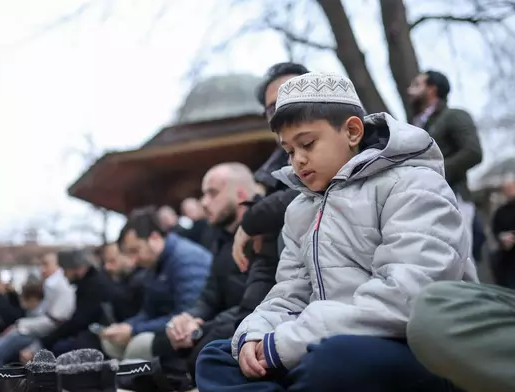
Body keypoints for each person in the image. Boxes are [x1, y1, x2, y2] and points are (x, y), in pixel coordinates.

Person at [195, 72, 478, 392]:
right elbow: (288, 295)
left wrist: (288, 344)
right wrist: (257, 335)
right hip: (315, 343)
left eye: (307, 144)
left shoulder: (413, 184)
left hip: (415, 350)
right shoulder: (300, 210)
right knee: (217, 356)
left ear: (352, 131)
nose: (298, 160)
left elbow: (408, 298)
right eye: (288, 150)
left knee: (333, 361)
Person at [153, 163, 278, 383]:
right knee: (165, 342)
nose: (204, 202)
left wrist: (202, 328)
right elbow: (209, 296)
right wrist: (188, 318)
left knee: (204, 351)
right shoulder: (218, 238)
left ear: (240, 194)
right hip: (223, 327)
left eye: (212, 193)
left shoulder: (269, 231)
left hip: (258, 330)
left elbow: (261, 301)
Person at [101, 207, 212, 361]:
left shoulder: (188, 259)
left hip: (192, 332)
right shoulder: (154, 264)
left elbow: (189, 313)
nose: (133, 261)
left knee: (138, 346)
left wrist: (134, 330)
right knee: (111, 341)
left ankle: (134, 381)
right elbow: (148, 311)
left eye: (135, 250)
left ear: (154, 238)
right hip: (168, 327)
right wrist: (126, 326)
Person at [232, 62, 310, 268]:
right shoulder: (266, 181)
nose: (281, 114)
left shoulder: (362, 148)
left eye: (289, 100)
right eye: (272, 109)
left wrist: (256, 216)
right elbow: (264, 265)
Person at [408, 70, 482, 249]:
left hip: (454, 198)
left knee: (460, 262)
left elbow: (473, 152)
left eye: (417, 85)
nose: (409, 90)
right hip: (422, 202)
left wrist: (434, 174)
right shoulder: (415, 124)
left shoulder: (454, 116)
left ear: (432, 89)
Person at [30, 248, 111, 359]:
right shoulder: (90, 283)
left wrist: (47, 342)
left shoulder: (93, 286)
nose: (64, 274)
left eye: (65, 270)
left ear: (78, 268)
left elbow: (79, 321)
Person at [99, 242, 146, 321]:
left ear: (129, 257)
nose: (107, 267)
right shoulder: (118, 279)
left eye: (112, 261)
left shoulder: (143, 280)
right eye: (105, 262)